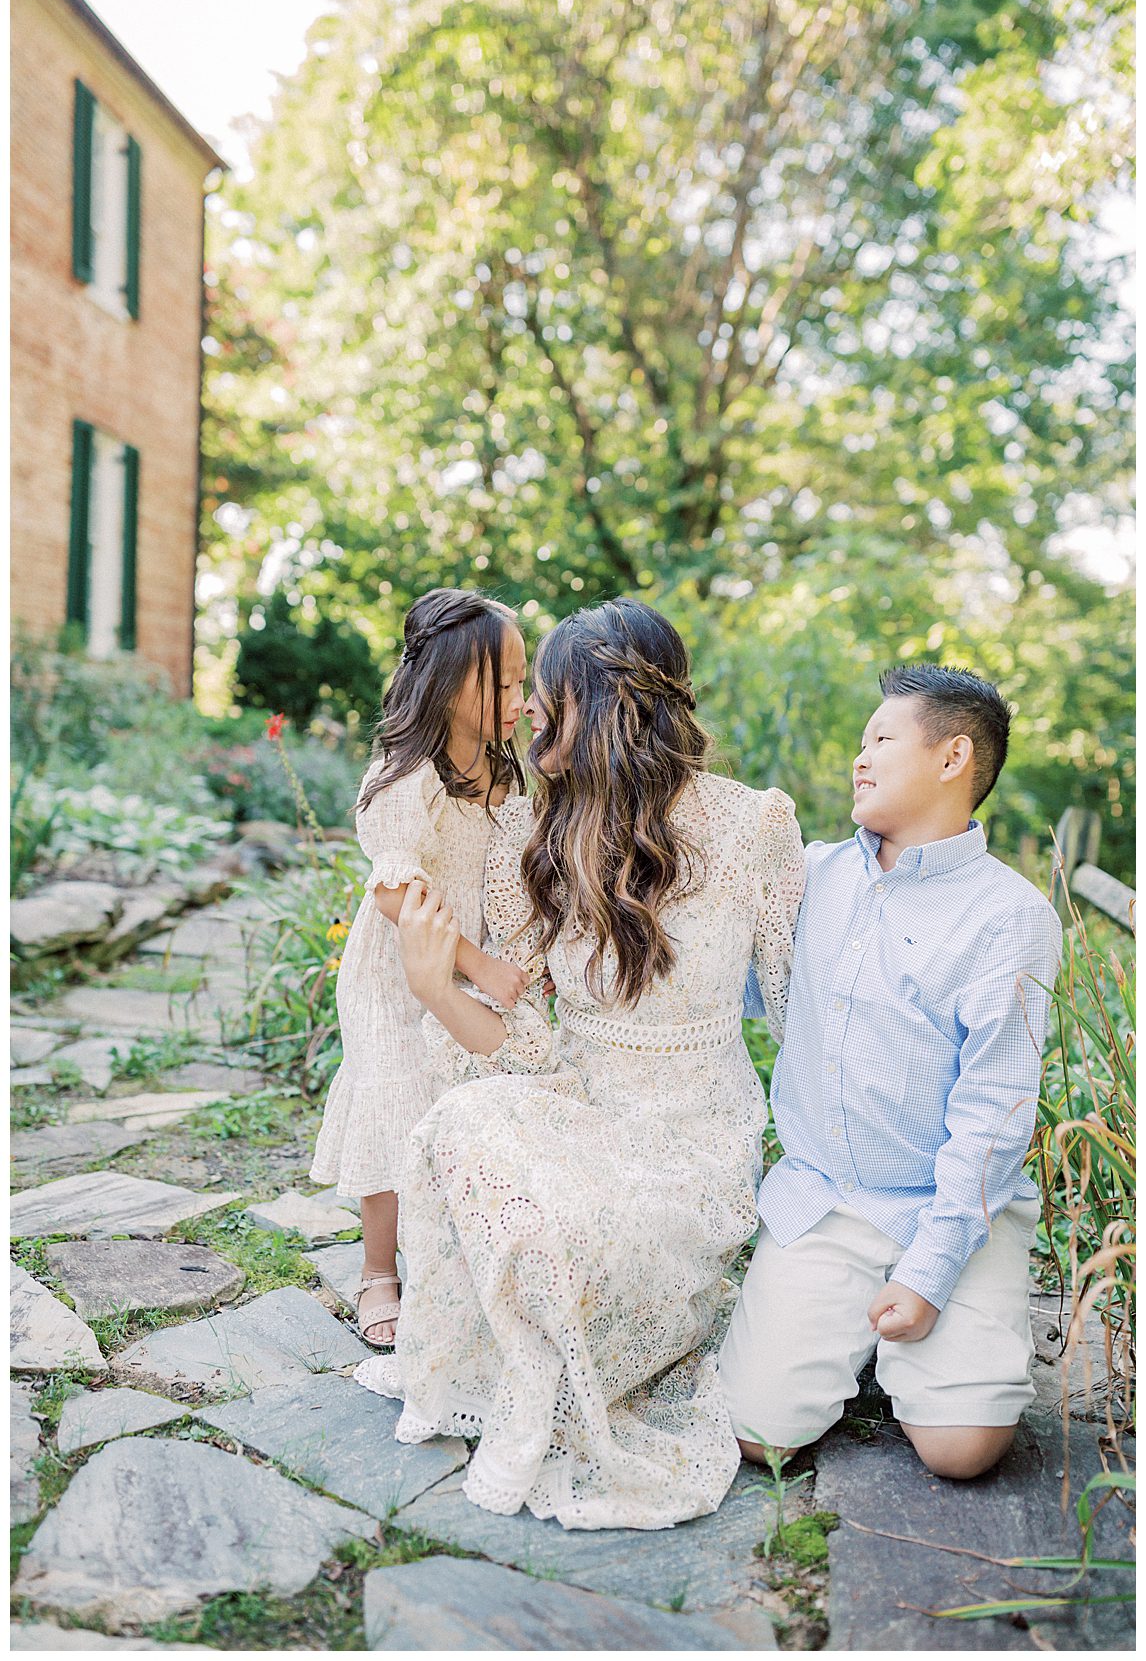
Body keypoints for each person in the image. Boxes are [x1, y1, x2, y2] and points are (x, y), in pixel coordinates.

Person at [354, 598, 805, 1529]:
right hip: (584, 1106)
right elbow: (520, 1051)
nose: (527, 714)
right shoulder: (543, 835)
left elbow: (803, 1018)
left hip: (694, 1139)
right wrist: (441, 990)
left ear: (599, 707)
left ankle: (593, 1344)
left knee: (570, 1241)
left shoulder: (754, 825)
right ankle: (537, 1349)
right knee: (461, 1124)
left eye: (545, 696)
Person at [722, 663, 1063, 1479]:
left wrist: (931, 1270)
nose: (859, 757)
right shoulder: (810, 874)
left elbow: (993, 1119)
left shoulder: (1011, 918)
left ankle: (917, 1344)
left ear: (952, 758)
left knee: (962, 1450)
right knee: (757, 1438)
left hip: (948, 1209)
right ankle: (849, 1331)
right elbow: (738, 988)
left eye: (881, 738)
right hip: (826, 1199)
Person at [309, 588, 529, 1346]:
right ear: (452, 681)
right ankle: (378, 1270)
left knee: (454, 1099)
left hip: (461, 963)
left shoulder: (500, 772)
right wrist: (479, 964)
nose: (519, 698)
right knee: (394, 1095)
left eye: (525, 682)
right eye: (506, 682)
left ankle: (446, 1245)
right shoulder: (409, 773)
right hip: (395, 969)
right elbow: (399, 887)